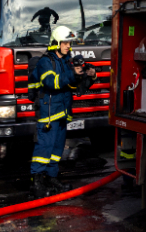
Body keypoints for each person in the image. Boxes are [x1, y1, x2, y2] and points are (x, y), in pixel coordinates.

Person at [29, 25, 97, 197]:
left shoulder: (66, 61)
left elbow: (74, 87)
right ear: (56, 43)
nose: (68, 46)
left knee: (57, 149)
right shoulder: (45, 62)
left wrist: (88, 76)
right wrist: (73, 73)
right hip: (48, 114)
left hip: (62, 114)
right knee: (44, 148)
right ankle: (37, 183)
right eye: (65, 43)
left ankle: (52, 179)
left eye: (69, 43)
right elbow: (52, 83)